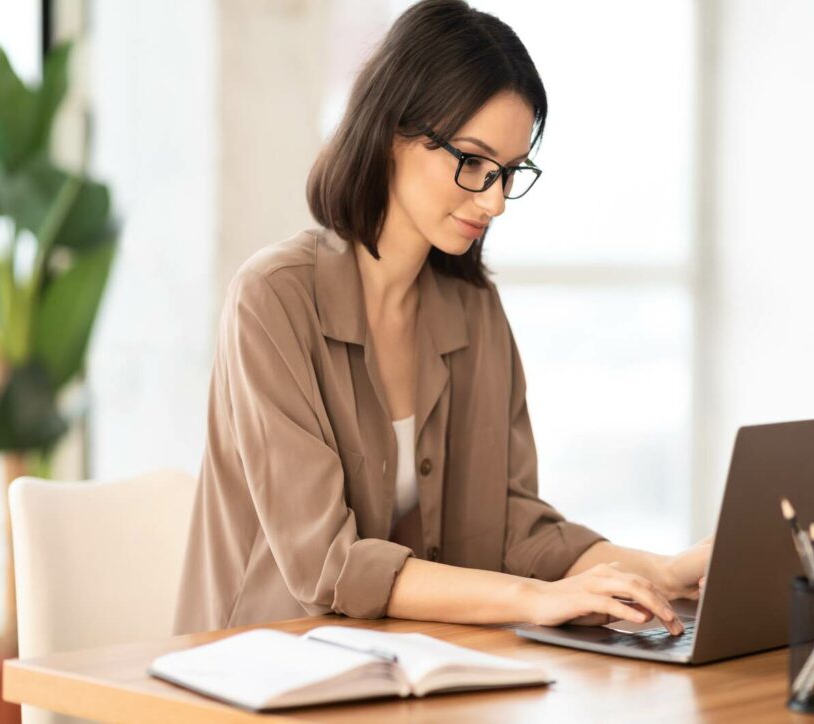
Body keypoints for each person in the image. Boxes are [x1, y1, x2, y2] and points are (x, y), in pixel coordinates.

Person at [172, 0, 711, 637]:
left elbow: (517, 530)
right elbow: (328, 565)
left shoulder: (474, 311)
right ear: (393, 130)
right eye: (474, 163)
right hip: (254, 671)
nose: (495, 200)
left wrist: (661, 571)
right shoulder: (272, 301)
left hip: (404, 671)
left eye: (509, 173)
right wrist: (535, 600)